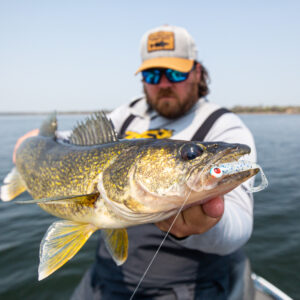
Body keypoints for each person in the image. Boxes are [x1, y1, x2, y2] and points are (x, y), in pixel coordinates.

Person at [14, 25, 256, 299]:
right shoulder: (129, 113)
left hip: (185, 286)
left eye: (175, 73)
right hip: (104, 277)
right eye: (153, 75)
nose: (164, 84)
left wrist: (209, 224)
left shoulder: (223, 126)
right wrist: (33, 140)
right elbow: (74, 141)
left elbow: (241, 226)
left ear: (197, 73)